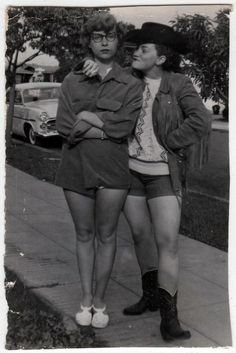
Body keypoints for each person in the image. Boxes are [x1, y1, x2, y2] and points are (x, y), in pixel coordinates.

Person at [79, 22, 211, 341]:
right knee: (140, 235)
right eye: (136, 49)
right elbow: (100, 71)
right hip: (130, 172)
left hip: (164, 174)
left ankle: (169, 318)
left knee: (168, 243)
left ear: (161, 58)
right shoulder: (128, 79)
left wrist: (170, 140)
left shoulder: (178, 84)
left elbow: (202, 120)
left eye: (143, 49)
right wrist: (87, 65)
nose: (135, 53)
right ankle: (150, 296)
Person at [55, 12, 143, 329]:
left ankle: (101, 302)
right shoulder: (72, 80)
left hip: (113, 169)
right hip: (76, 166)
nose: (104, 42)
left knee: (107, 236)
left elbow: (125, 129)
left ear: (118, 41)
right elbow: (65, 126)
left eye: (110, 36)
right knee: (83, 234)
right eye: (97, 36)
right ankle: (85, 299)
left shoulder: (132, 84)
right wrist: (103, 127)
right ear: (89, 42)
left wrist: (87, 118)